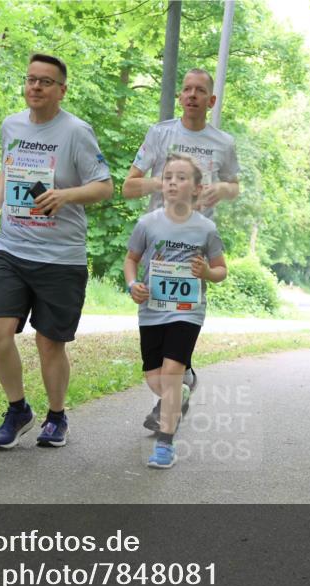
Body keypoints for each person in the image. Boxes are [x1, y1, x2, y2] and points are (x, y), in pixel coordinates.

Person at [0, 53, 113, 450]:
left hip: (60, 256)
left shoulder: (76, 131)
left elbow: (104, 186)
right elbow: (8, 167)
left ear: (62, 90)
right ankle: (17, 409)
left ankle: (57, 416)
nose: (35, 87)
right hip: (11, 248)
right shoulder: (12, 125)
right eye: (31, 79)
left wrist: (66, 195)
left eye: (46, 82)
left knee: (49, 342)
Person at [123, 68, 239, 429]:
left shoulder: (223, 142)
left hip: (193, 247)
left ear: (211, 100)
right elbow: (128, 186)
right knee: (156, 335)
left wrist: (222, 189)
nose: (191, 95)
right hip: (158, 247)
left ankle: (172, 396)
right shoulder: (160, 133)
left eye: (199, 90)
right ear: (180, 97)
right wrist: (170, 180)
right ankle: (180, 384)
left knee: (184, 318)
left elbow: (235, 187)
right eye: (186, 89)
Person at [124, 154, 227, 469]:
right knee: (155, 378)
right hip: (152, 309)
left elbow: (221, 270)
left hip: (188, 311)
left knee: (169, 376)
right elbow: (131, 260)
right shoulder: (147, 223)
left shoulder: (206, 229)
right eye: (168, 176)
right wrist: (132, 286)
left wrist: (206, 273)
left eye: (181, 178)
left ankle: (165, 445)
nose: (172, 182)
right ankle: (181, 388)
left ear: (196, 189)